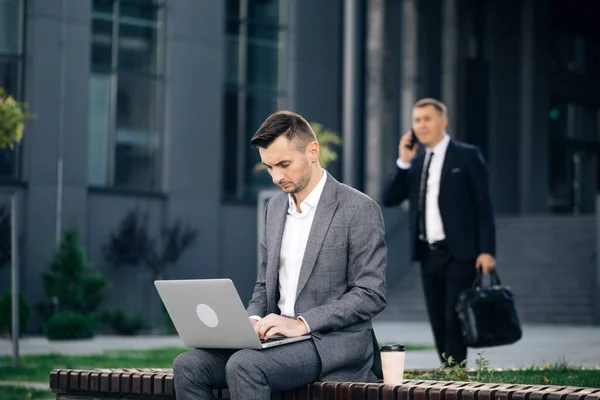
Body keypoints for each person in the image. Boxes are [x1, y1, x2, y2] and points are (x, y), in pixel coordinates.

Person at [173, 110, 387, 399]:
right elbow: (264, 285)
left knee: (245, 365)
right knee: (188, 365)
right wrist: (250, 320)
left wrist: (301, 324)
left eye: (284, 164)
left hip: (330, 341)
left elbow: (370, 294)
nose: (276, 177)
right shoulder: (274, 209)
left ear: (313, 151)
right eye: (269, 167)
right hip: (275, 341)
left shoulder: (358, 208)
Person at [381, 98, 496, 366]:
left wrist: (487, 250)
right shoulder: (417, 164)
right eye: (417, 120)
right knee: (436, 315)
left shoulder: (467, 156)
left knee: (453, 315)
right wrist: (403, 161)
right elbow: (390, 198)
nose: (421, 125)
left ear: (443, 122)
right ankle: (448, 369)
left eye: (427, 119)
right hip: (428, 254)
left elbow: (483, 206)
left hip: (461, 252)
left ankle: (455, 372)